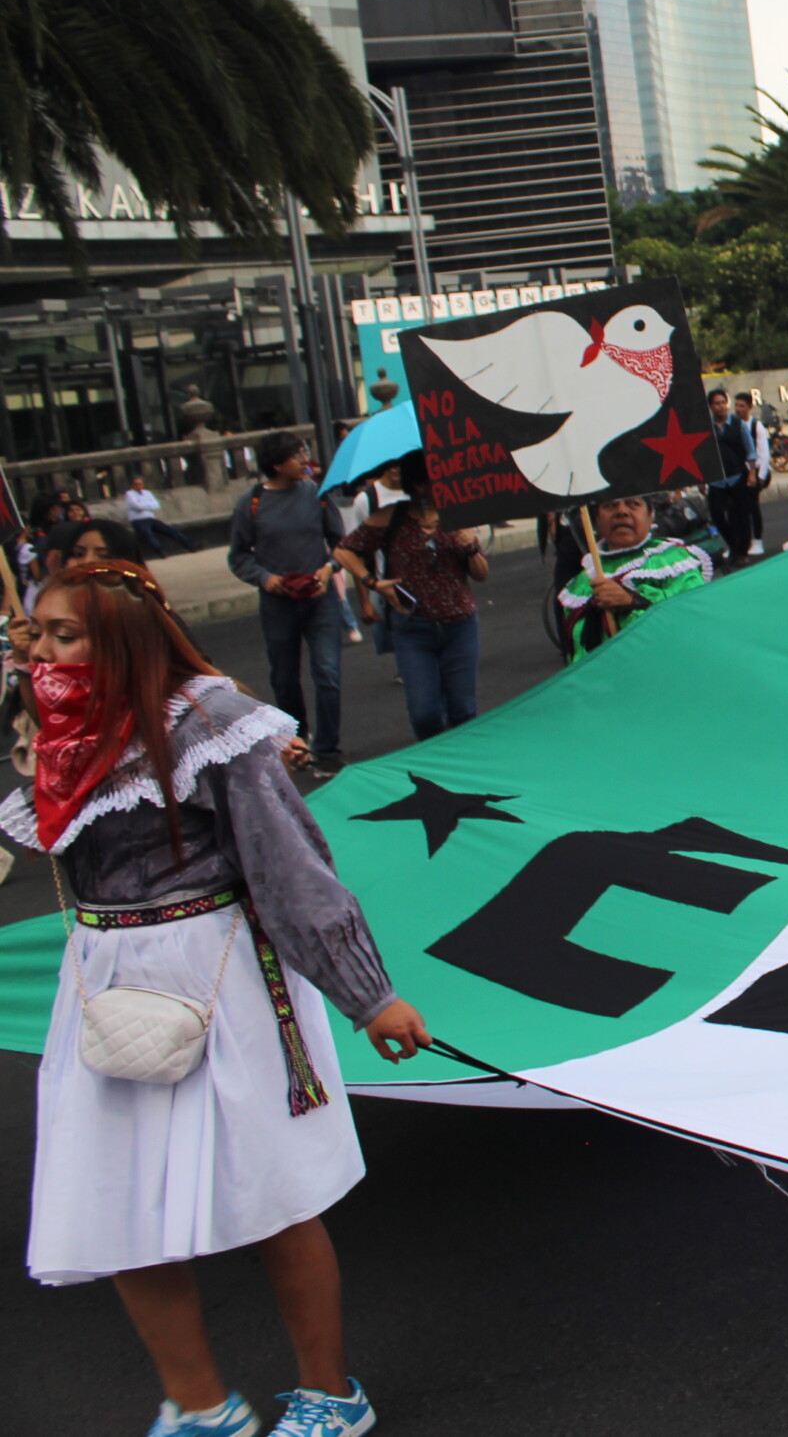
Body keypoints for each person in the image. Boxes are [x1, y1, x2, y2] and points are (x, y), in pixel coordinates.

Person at [10, 559, 430, 1437]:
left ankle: (329, 1392)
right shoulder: (53, 730)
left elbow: (289, 869)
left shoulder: (207, 722)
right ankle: (201, 1404)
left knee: (272, 1197)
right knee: (114, 1201)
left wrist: (368, 995)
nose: (38, 650)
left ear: (120, 638)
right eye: (34, 632)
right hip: (105, 975)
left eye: (63, 634)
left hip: (220, 969)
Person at [332, 460, 487, 740]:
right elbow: (344, 552)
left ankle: (466, 772)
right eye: (437, 480)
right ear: (418, 485)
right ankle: (435, 769)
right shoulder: (392, 516)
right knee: (424, 713)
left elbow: (481, 574)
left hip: (460, 626)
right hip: (414, 629)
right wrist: (372, 582)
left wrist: (471, 547)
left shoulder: (456, 515)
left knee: (463, 710)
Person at [225, 434, 344, 774]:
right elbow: (238, 557)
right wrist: (265, 578)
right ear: (276, 464)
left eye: (304, 451)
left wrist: (329, 567)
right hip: (278, 604)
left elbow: (341, 543)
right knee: (284, 677)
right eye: (296, 455)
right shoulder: (252, 503)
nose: (304, 459)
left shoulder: (317, 495)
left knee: (328, 672)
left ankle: (328, 749)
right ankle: (297, 739)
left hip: (319, 599)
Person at [557, 494, 713, 664]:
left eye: (633, 504)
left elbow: (690, 618)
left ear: (650, 514)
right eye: (610, 505)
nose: (622, 512)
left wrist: (631, 601)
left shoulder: (673, 561)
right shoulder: (581, 583)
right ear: (596, 519)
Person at [732, 389, 774, 556]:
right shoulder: (733, 424)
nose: (738, 409)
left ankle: (757, 541)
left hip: (755, 472)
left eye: (742, 406)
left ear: (749, 407)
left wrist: (761, 476)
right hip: (739, 472)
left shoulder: (756, 425)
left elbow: (763, 453)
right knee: (736, 509)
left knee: (752, 507)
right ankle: (740, 542)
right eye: (736, 405)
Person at [120, 478, 194, 557]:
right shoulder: (129, 494)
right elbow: (137, 506)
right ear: (132, 486)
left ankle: (190, 545)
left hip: (150, 518)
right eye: (136, 484)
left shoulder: (147, 493)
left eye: (140, 484)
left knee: (170, 530)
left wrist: (143, 505)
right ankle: (160, 550)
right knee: (148, 534)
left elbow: (156, 505)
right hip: (138, 520)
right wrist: (148, 505)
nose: (138, 486)